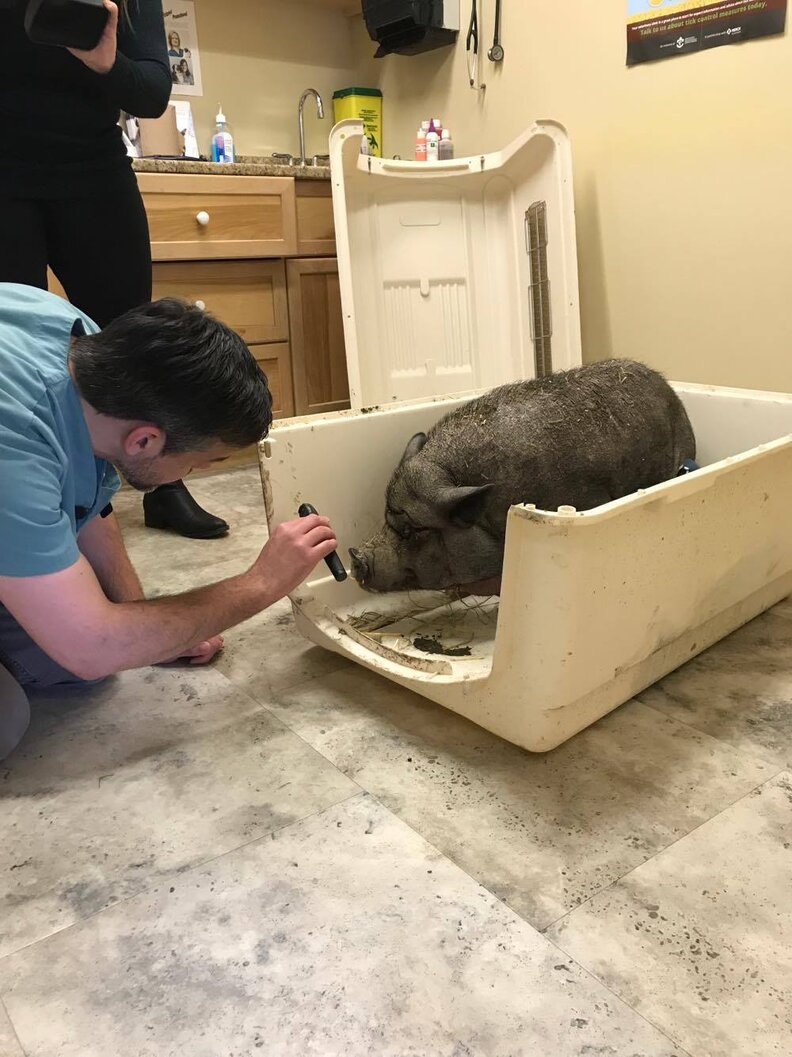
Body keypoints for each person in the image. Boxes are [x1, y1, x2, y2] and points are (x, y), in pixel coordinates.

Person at [0, 285, 338, 760]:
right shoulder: (14, 446)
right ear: (144, 442)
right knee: (10, 715)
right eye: (201, 463)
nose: (194, 474)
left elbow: (88, 500)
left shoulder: (81, 343)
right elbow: (92, 646)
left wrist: (144, 627)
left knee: (84, 659)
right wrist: (263, 582)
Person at [0, 0, 229, 540]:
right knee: (12, 346)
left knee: (134, 335)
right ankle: (31, 495)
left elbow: (150, 93)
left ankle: (164, 486)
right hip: (3, 175)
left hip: (95, 172)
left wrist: (104, 59)